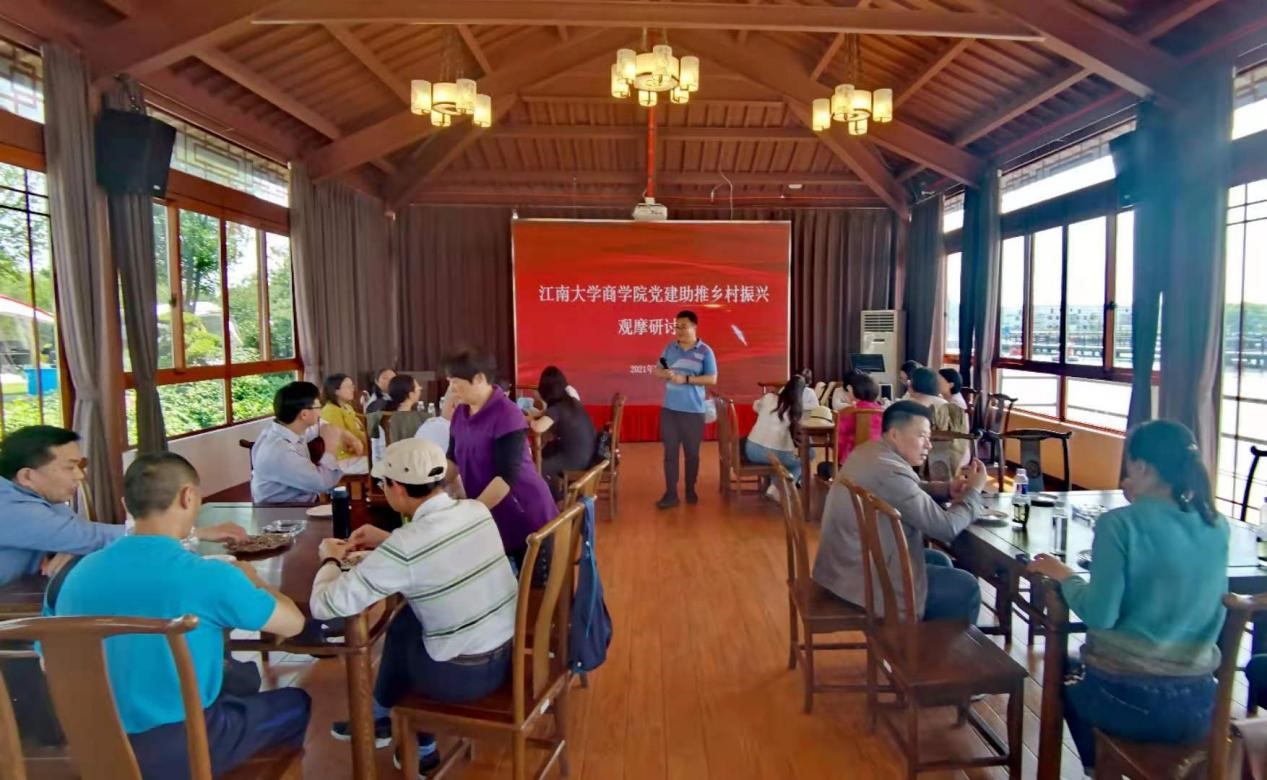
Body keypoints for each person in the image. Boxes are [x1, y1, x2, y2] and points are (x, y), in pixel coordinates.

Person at [53, 452, 310, 779]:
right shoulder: (209, 576)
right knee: (295, 703)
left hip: (91, 748)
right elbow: (293, 624)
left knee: (239, 678)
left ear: (126, 504)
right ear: (189, 497)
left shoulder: (76, 573)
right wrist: (254, 580)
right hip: (183, 746)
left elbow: (49, 659)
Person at [1028, 421, 1229, 773]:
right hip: (1201, 704)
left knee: (1063, 671)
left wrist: (1065, 575)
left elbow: (1100, 614)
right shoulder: (1216, 524)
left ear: (1143, 467)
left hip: (1131, 700)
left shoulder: (1118, 524)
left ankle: (1099, 768)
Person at [311, 439, 516, 775]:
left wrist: (330, 558)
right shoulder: (475, 511)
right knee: (406, 621)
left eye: (383, 484)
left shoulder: (408, 545)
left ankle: (421, 747)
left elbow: (325, 605)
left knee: (405, 631)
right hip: (506, 658)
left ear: (397, 487)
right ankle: (379, 718)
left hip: (461, 678)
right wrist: (386, 539)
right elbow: (438, 553)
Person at [0, 425, 244, 585]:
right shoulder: (10, 508)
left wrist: (71, 547)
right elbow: (90, 536)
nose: (80, 475)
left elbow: (79, 536)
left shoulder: (35, 497)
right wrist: (197, 532)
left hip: (28, 593)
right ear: (27, 476)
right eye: (69, 467)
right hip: (12, 617)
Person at [814, 401, 988, 623]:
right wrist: (973, 492)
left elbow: (902, 490)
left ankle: (920, 639)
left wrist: (946, 489)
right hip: (864, 579)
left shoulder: (870, 452)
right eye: (922, 436)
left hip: (843, 568)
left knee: (940, 559)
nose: (929, 445)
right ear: (894, 434)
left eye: (929, 437)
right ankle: (914, 642)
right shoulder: (890, 470)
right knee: (967, 587)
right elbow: (946, 527)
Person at [444, 349, 556, 572]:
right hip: (489, 513)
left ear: (479, 379)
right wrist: (432, 491)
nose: (452, 390)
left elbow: (506, 478)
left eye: (456, 383)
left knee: (529, 590)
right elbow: (452, 460)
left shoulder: (507, 414)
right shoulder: (460, 413)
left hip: (524, 514)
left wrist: (470, 514)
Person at [653, 310, 718, 509]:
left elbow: (712, 378)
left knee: (692, 454)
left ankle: (690, 488)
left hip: (693, 411)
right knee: (670, 453)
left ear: (694, 326)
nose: (679, 330)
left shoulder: (705, 351)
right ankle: (671, 494)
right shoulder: (669, 349)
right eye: (677, 327)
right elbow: (658, 369)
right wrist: (666, 373)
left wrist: (687, 379)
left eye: (684, 326)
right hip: (670, 410)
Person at [251, 381, 348, 504]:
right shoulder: (280, 450)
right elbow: (323, 483)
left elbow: (318, 428)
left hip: (299, 505)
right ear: (304, 415)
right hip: (284, 511)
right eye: (318, 407)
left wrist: (346, 435)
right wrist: (330, 448)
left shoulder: (285, 429)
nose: (321, 412)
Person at [529, 366, 598, 500]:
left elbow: (538, 428)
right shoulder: (571, 401)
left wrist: (527, 419)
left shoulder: (558, 408)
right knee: (546, 451)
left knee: (539, 467)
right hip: (589, 453)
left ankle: (555, 500)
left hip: (577, 459)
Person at [744, 377, 804, 499]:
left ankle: (774, 484)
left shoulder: (768, 397)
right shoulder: (795, 409)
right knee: (802, 462)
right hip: (774, 454)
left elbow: (755, 407)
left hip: (751, 449)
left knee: (782, 462)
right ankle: (776, 488)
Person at [909, 367, 970, 474]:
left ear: (913, 385)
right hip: (959, 457)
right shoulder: (947, 404)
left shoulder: (911, 406)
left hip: (926, 463)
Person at [320, 374, 369, 474]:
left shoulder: (347, 407)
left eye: (352, 386)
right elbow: (338, 442)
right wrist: (357, 445)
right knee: (382, 465)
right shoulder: (331, 410)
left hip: (357, 455)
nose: (352, 389)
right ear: (336, 391)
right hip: (342, 460)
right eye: (348, 386)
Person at [834, 373, 885, 465]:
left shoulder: (851, 411)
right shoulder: (881, 411)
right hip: (877, 457)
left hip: (851, 458)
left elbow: (839, 430)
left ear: (853, 391)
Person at [382, 374, 429, 443]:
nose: (420, 388)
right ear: (411, 395)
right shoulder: (420, 419)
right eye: (418, 387)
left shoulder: (386, 416)